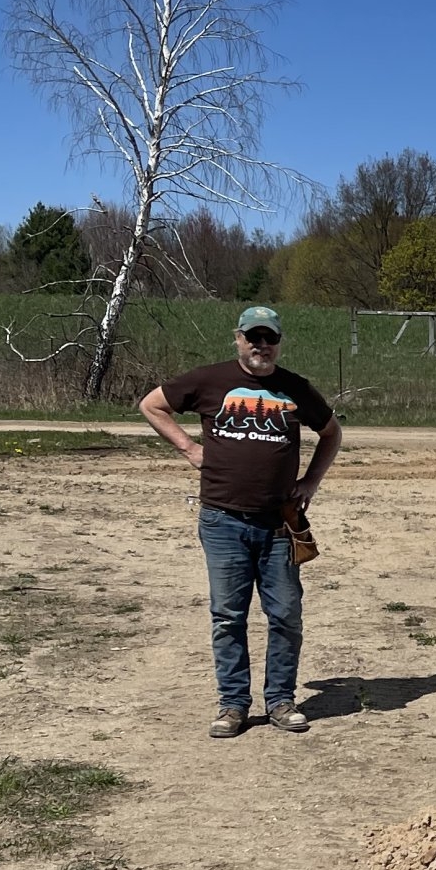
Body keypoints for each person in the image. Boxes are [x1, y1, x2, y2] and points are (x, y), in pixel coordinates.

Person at [138, 306, 343, 737]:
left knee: (285, 614)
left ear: (279, 343)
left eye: (269, 338)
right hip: (222, 520)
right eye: (253, 337)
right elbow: (152, 405)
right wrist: (189, 449)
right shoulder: (208, 380)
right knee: (229, 615)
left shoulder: (295, 388)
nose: (261, 346)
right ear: (238, 338)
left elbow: (331, 433)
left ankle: (281, 701)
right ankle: (233, 704)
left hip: (279, 524)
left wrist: (311, 481)